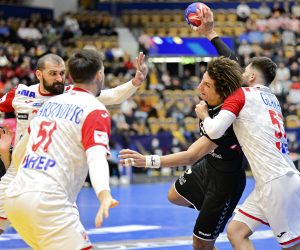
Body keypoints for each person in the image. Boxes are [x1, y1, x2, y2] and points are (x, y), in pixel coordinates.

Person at [0, 51, 147, 234]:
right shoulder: (21, 93)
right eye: (53, 74)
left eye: (62, 73)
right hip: (18, 171)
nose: (59, 78)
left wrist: (134, 83)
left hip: (51, 174)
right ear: (39, 75)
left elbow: (112, 96)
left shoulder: (71, 94)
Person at [195, 6, 300, 249]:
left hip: (276, 183)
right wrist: (211, 34)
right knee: (236, 232)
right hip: (270, 181)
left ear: (251, 77)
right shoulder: (271, 98)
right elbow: (231, 61)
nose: (239, 73)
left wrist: (202, 115)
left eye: (244, 71)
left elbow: (214, 131)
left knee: (292, 246)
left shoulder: (242, 95)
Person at [119, 56, 246, 250]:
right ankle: (217, 214)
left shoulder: (225, 119)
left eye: (207, 85)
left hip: (225, 183)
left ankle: (219, 210)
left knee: (200, 244)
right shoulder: (209, 103)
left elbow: (191, 156)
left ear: (222, 92)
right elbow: (230, 58)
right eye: (201, 82)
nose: (199, 88)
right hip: (209, 166)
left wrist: (147, 161)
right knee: (174, 195)